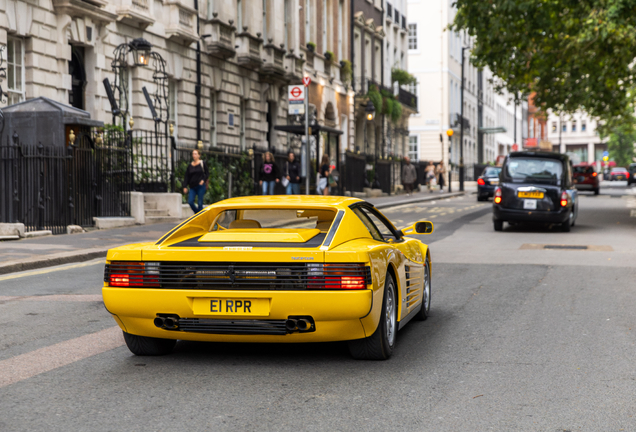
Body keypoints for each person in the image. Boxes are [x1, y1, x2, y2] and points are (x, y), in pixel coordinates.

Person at [183, 149, 209, 214]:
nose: (193, 155)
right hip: (192, 187)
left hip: (200, 186)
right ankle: (198, 214)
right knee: (190, 202)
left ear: (199, 155)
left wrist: (203, 180)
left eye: (195, 154)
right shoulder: (190, 166)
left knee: (200, 204)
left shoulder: (202, 163)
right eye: (193, 154)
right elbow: (187, 176)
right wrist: (185, 186)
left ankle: (199, 218)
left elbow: (207, 173)